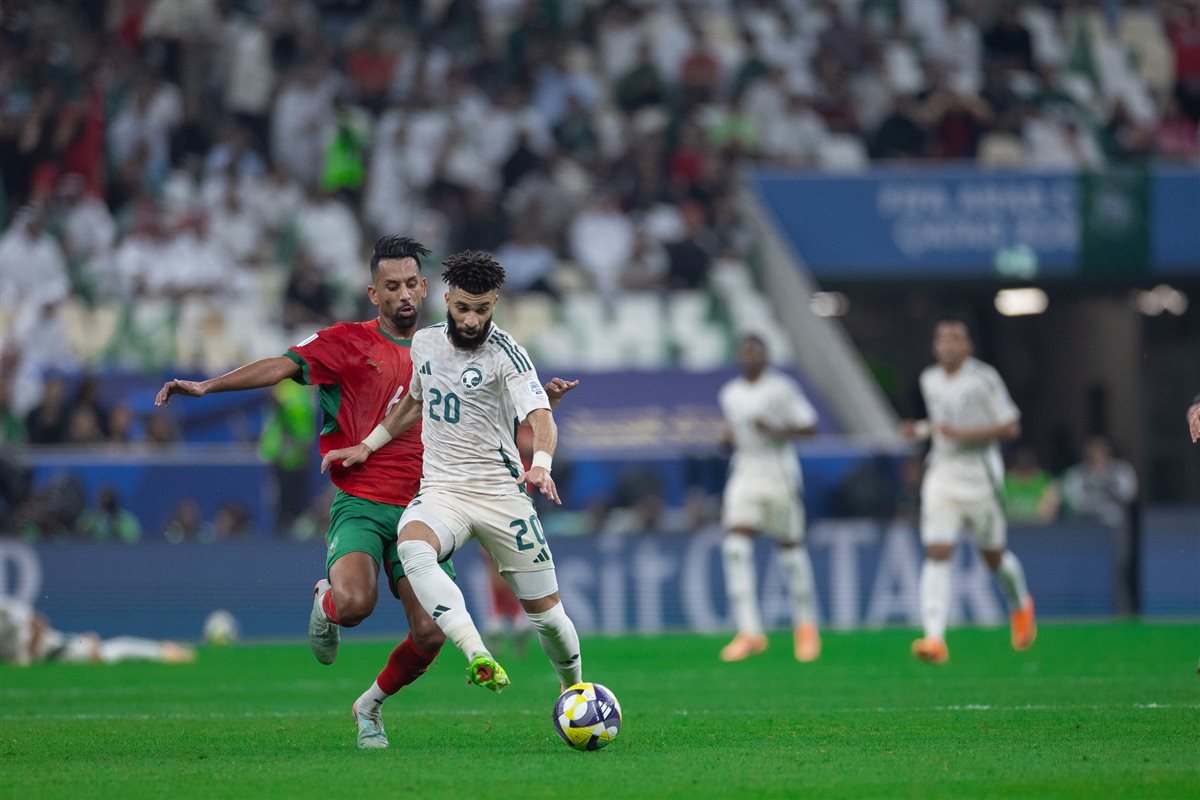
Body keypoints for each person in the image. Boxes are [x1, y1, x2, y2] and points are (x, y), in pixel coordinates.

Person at [323, 250, 583, 699]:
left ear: (494, 303)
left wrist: (540, 464)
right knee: (412, 546)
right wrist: (369, 444)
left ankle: (574, 689)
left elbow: (540, 415)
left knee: (549, 618)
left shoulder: (509, 355)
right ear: (446, 299)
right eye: (462, 308)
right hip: (442, 490)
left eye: (481, 309)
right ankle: (477, 652)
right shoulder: (425, 343)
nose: (471, 319)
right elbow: (414, 403)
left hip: (501, 493)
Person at [900, 317, 1035, 664]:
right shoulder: (929, 379)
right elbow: (941, 424)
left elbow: (1011, 427)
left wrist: (964, 435)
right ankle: (934, 638)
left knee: (993, 557)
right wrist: (919, 430)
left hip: (981, 478)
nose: (947, 345)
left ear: (968, 346)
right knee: (937, 550)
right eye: (941, 339)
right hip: (942, 474)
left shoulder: (983, 379)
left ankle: (1020, 604)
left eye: (954, 339)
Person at [715, 334, 822, 663]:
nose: (750, 357)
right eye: (745, 352)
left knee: (790, 550)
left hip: (778, 472)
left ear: (766, 356)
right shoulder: (730, 393)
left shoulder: (782, 389)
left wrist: (777, 429)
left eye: (756, 352)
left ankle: (805, 626)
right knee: (735, 547)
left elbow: (810, 427)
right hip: (745, 470)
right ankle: (749, 631)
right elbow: (733, 436)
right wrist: (727, 439)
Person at [1061, 435, 1138, 615]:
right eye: (1093, 454)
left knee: (1118, 573)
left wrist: (1105, 479)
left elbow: (1129, 493)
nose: (1098, 458)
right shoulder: (1077, 473)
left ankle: (1121, 612)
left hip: (1116, 533)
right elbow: (1075, 502)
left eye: (1101, 454)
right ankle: (1086, 612)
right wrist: (1096, 501)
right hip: (1086, 535)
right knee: (1086, 573)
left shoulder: (1122, 470)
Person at [0, 598, 194, 665]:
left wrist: (28, 652)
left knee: (120, 646)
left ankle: (165, 652)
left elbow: (37, 622)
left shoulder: (5, 608)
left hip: (61, 649)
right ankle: (165, 651)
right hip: (60, 651)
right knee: (121, 645)